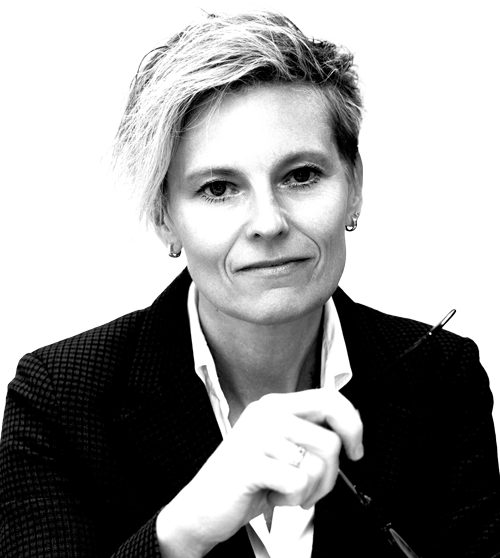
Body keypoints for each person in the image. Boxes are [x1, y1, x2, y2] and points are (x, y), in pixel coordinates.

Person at [1, 6, 499, 558]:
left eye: (301, 176)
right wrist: (183, 532)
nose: (268, 223)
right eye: (218, 188)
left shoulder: (443, 380)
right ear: (165, 217)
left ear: (355, 184)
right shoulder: (58, 399)